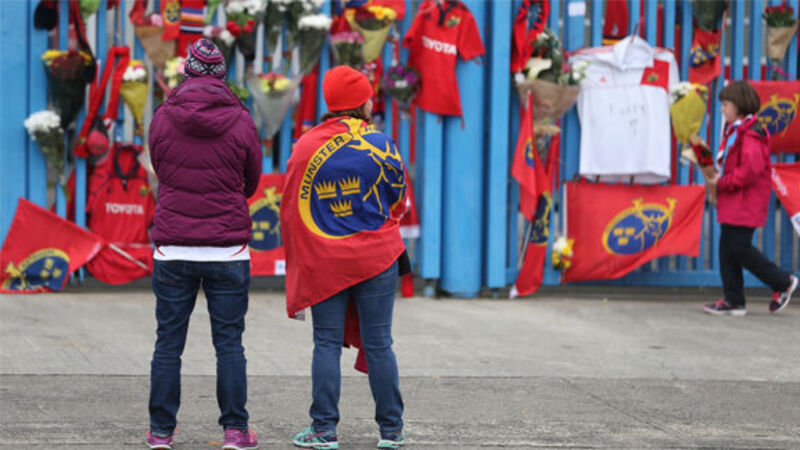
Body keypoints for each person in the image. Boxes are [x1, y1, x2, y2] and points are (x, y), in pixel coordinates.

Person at [281, 65, 409, 449]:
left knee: (326, 343)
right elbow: (399, 199)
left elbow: (291, 207)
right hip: (377, 259)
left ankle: (324, 430)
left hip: (326, 261)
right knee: (379, 343)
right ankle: (391, 431)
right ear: (363, 103)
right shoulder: (382, 143)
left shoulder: (306, 146)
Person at [145, 39, 261, 450]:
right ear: (221, 76)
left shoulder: (163, 116)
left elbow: (160, 168)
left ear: (188, 72)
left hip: (173, 247)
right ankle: (235, 431)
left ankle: (161, 433)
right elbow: (252, 181)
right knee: (229, 343)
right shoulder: (241, 119)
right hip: (227, 249)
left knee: (168, 343)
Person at [703, 81, 798, 316]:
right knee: (728, 250)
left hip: (745, 202)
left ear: (739, 105)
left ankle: (782, 281)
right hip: (735, 201)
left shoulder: (751, 134)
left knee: (739, 248)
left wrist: (721, 183)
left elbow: (749, 172)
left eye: (726, 104)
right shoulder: (737, 131)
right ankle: (734, 300)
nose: (722, 109)